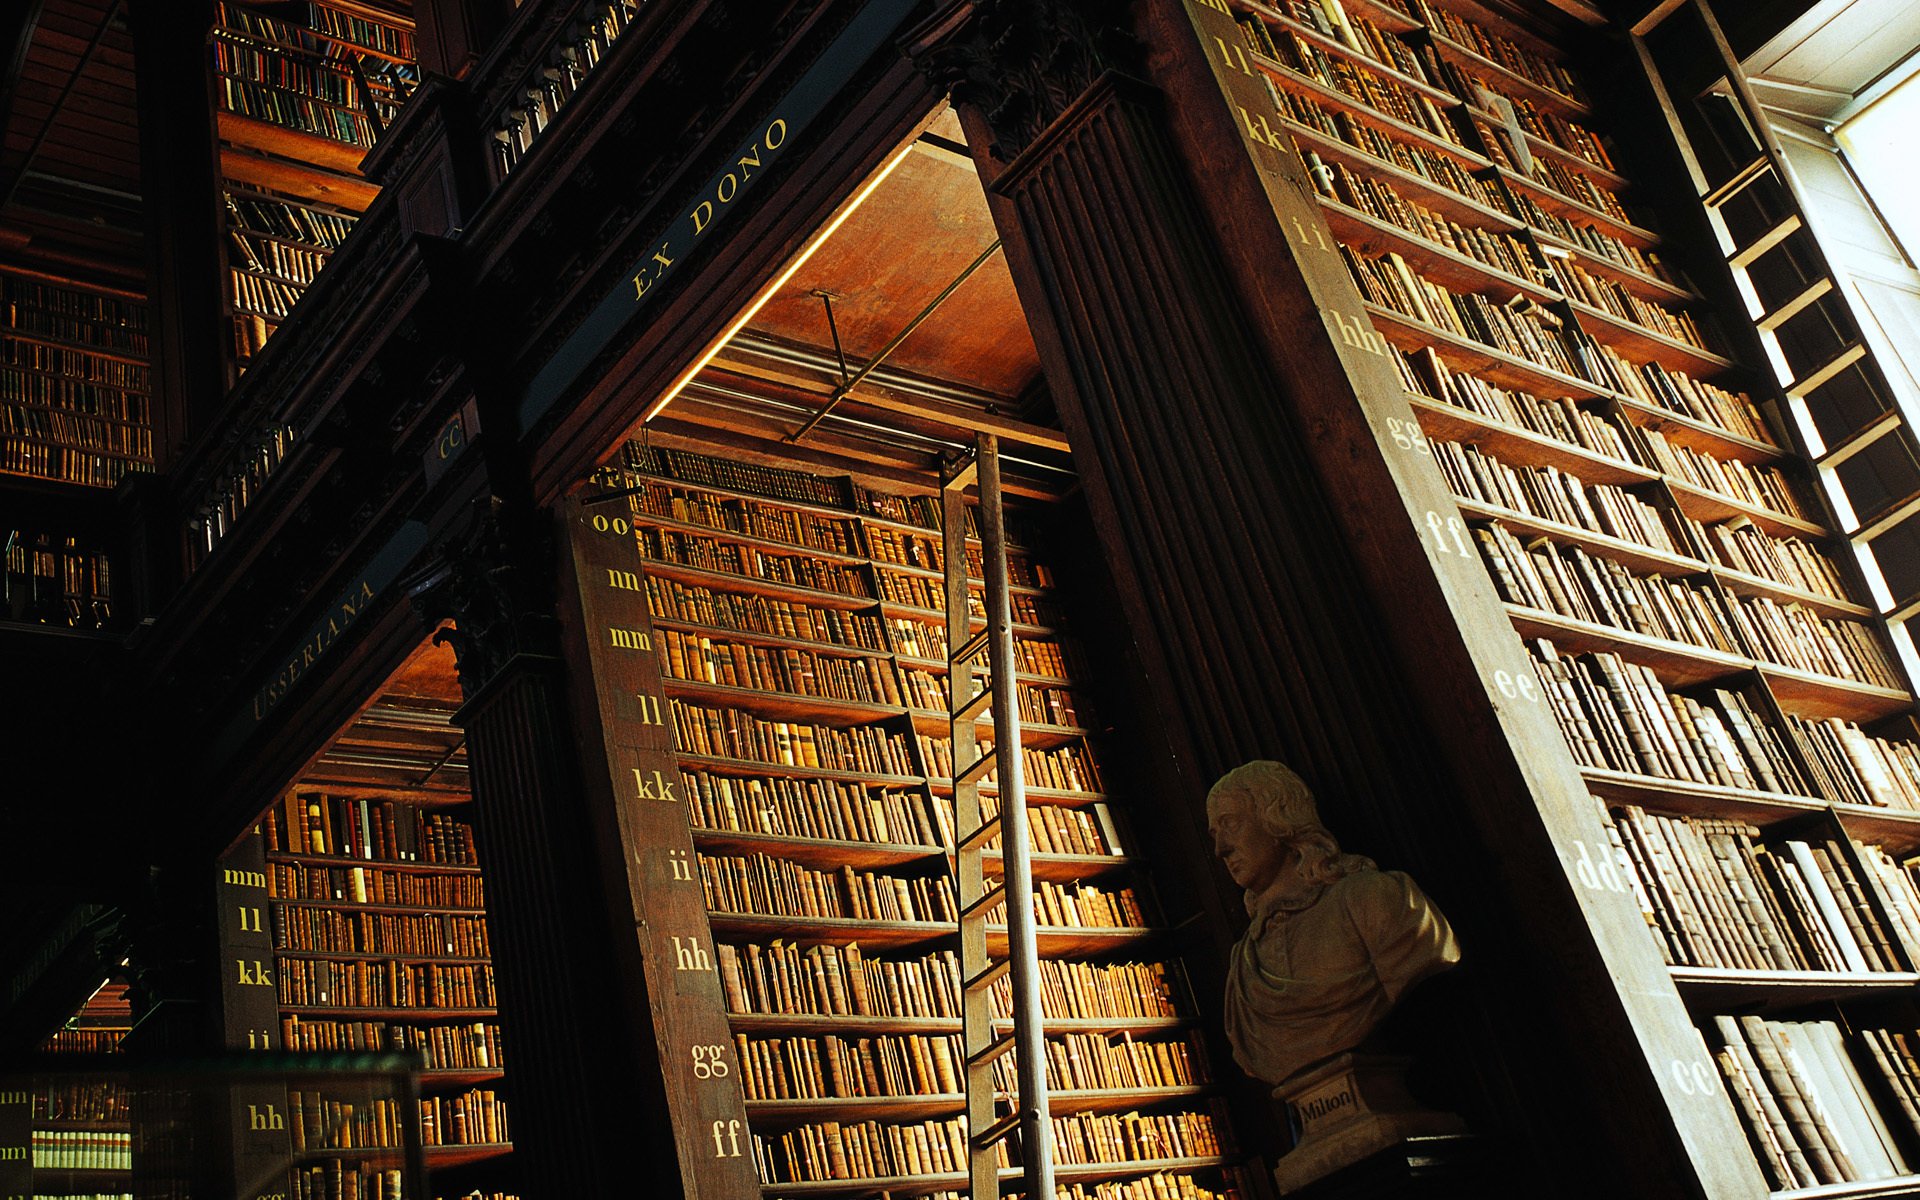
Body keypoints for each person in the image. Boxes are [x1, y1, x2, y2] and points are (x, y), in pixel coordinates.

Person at [1207, 760, 1461, 1087]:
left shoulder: (1373, 898)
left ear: (1277, 819)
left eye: (1230, 824)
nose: (1220, 849)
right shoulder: (1244, 966)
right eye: (1215, 834)